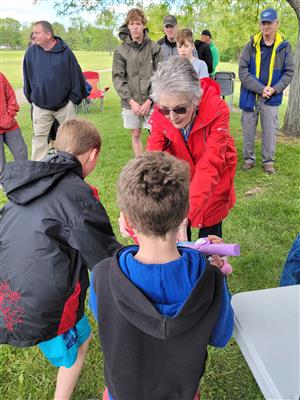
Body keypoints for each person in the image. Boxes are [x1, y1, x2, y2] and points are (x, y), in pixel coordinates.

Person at [93, 151, 234, 400]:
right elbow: (221, 336)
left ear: (127, 221)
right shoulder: (209, 278)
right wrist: (215, 269)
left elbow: (106, 316)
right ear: (184, 215)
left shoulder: (103, 276)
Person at [0, 118, 120, 399]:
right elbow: (104, 257)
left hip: (8, 291)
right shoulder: (76, 193)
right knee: (72, 351)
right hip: (41, 305)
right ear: (92, 155)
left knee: (85, 335)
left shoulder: (30, 180)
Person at [147, 57, 237, 239]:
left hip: (213, 184)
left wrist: (188, 211)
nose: (172, 117)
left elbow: (211, 163)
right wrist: (132, 208)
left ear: (196, 99)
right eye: (165, 109)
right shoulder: (161, 113)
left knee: (210, 243)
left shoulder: (218, 110)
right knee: (177, 237)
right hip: (179, 183)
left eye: (180, 109)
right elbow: (152, 162)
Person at [239, 8, 294, 174]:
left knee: (269, 131)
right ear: (260, 25)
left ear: (277, 24)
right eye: (263, 23)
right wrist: (260, 88)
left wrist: (274, 89)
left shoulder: (284, 47)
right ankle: (248, 159)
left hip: (272, 96)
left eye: (270, 22)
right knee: (248, 129)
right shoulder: (251, 45)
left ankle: (268, 162)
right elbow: (243, 70)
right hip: (250, 95)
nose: (266, 26)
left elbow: (289, 72)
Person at [23, 20, 88, 161]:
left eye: (37, 32)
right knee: (39, 139)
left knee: (70, 138)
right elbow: (27, 77)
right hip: (40, 106)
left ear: (48, 34)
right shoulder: (30, 53)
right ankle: (38, 171)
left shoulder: (66, 52)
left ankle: (70, 166)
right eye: (33, 32)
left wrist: (73, 100)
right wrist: (32, 99)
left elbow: (76, 76)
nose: (33, 35)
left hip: (64, 105)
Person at [112, 8, 162, 156]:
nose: (135, 27)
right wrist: (131, 101)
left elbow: (160, 76)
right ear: (128, 26)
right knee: (135, 134)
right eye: (132, 23)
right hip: (131, 101)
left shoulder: (155, 48)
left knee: (156, 135)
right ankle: (140, 165)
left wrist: (150, 100)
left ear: (143, 26)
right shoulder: (120, 50)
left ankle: (155, 165)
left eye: (138, 23)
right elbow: (118, 77)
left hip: (151, 101)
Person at [0, 72, 28, 190]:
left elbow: (11, 97)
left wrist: (9, 116)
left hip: (9, 124)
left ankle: (24, 177)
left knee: (21, 151)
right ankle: (3, 183)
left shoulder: (0, 77)